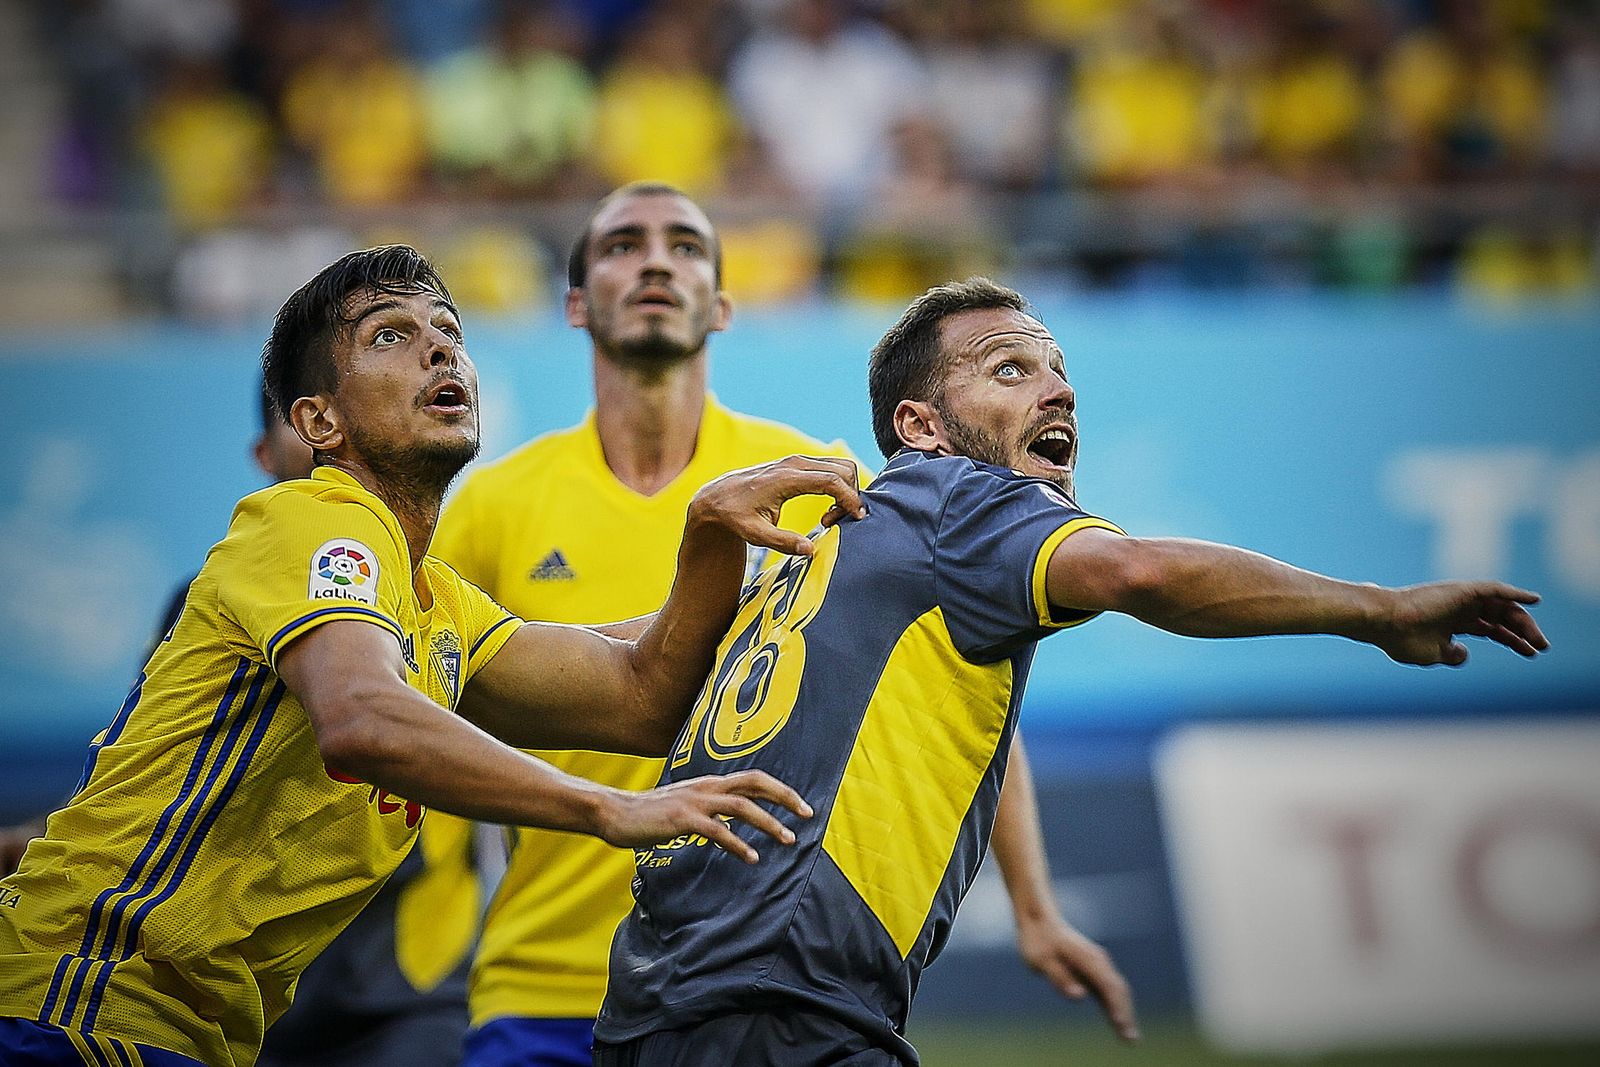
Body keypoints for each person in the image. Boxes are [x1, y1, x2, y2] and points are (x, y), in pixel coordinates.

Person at [592, 277, 1549, 1067]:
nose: (1055, 392)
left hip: (656, 1010)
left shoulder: (833, 562)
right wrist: (1379, 611)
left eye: (1059, 372)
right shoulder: (957, 497)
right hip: (780, 1011)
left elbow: (969, 740)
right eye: (1009, 368)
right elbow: (1142, 572)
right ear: (920, 426)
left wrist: (1036, 908)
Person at [0, 244, 863, 1067]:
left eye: (448, 333)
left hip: (169, 1027)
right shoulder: (308, 520)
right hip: (71, 1000)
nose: (438, 351)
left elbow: (642, 692)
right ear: (317, 421)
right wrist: (606, 808)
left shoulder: (435, 603)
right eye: (390, 335)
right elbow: (361, 718)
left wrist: (711, 537)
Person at [431, 183, 1133, 1067]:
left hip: (742, 979)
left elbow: (958, 678)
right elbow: (440, 701)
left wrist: (1034, 906)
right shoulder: (489, 506)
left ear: (723, 304)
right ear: (574, 302)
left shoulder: (815, 478)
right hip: (536, 987)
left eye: (685, 245)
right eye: (622, 245)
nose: (655, 260)